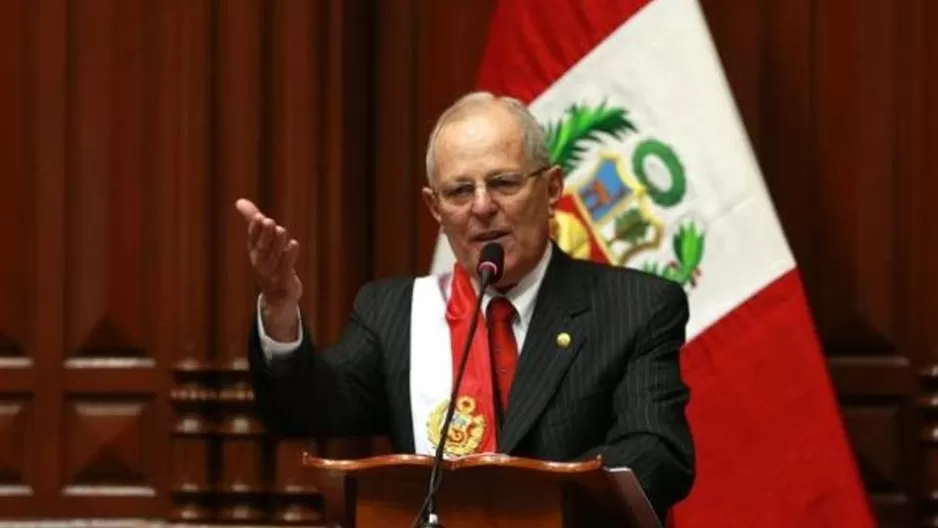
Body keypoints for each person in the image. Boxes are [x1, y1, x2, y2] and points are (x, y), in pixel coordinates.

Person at [238, 92, 694, 520]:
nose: (482, 207)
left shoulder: (635, 307)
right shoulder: (394, 313)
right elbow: (302, 410)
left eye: (504, 183)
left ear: (552, 187)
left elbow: (657, 452)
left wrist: (530, 508)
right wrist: (279, 307)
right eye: (459, 191)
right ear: (434, 208)